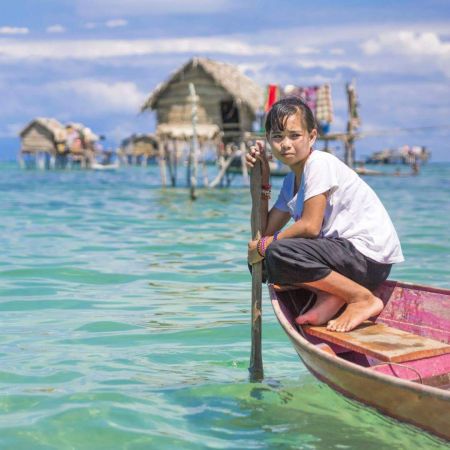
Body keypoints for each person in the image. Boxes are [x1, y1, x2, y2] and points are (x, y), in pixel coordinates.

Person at [246, 96, 404, 333]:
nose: (285, 144)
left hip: (367, 258)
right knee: (261, 263)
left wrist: (265, 246)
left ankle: (361, 298)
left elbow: (310, 227)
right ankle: (332, 294)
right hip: (344, 258)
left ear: (312, 136)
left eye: (294, 135)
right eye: (277, 137)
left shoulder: (319, 164)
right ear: (268, 140)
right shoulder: (291, 181)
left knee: (274, 251)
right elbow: (265, 230)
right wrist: (262, 181)